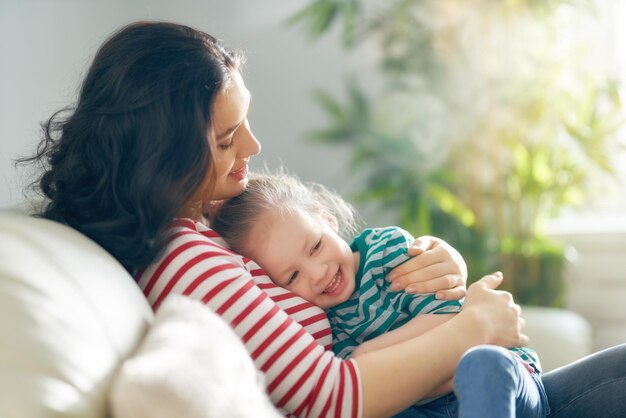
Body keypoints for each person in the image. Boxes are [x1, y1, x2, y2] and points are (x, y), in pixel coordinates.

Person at [19, 20, 626, 418]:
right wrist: (473, 329)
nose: (253, 150)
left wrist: (442, 262)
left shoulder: (211, 216)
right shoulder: (184, 257)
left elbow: (362, 259)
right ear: (167, 153)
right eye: (228, 138)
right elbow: (332, 395)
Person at [210, 170, 548, 417]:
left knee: (481, 363)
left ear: (328, 221)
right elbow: (366, 396)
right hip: (428, 408)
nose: (318, 273)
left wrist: (363, 356)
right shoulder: (317, 322)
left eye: (315, 246)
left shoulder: (386, 251)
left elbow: (448, 318)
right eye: (292, 276)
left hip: (506, 390)